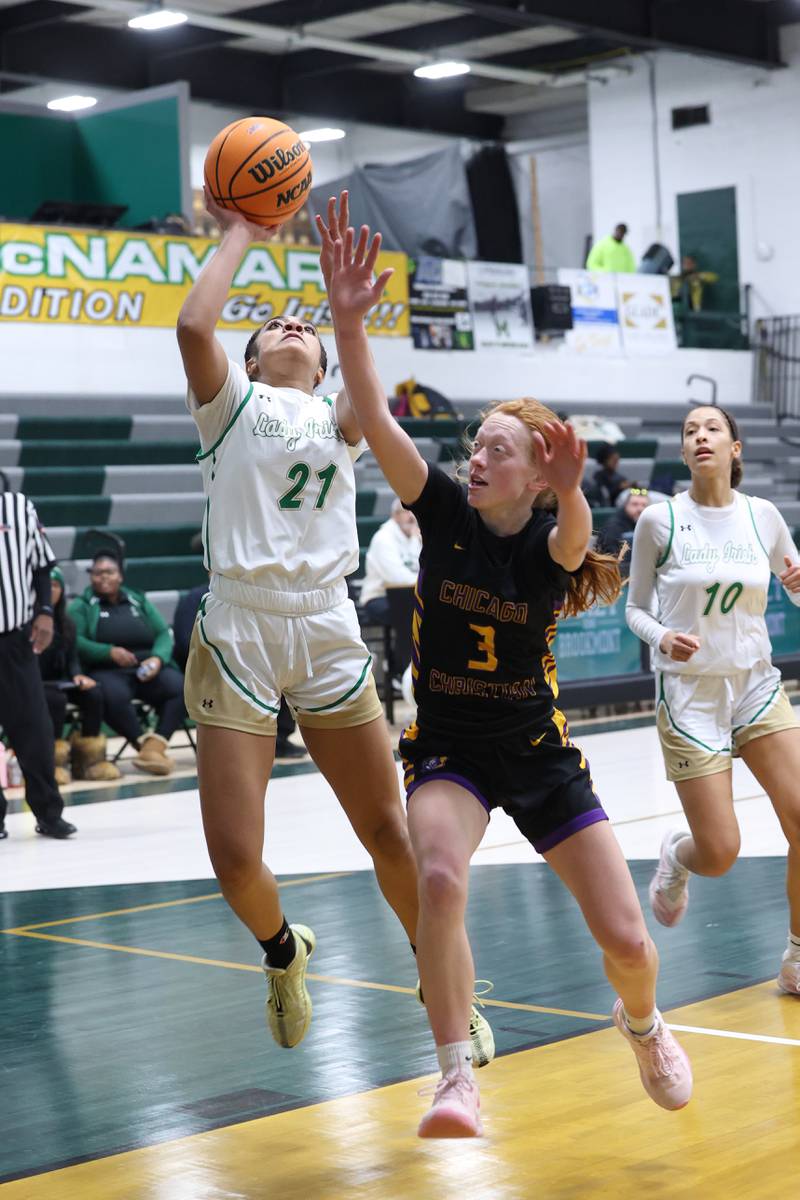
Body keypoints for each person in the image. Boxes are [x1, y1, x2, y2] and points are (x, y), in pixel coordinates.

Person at [321, 208, 693, 1138]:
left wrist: (570, 490)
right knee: (438, 879)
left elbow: (575, 543)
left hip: (538, 752)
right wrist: (351, 322)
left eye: (498, 449)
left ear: (533, 476)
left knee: (628, 943)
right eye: (475, 443)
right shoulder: (440, 508)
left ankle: (642, 1023)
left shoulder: (543, 540)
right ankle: (453, 1077)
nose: (475, 457)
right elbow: (372, 415)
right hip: (449, 749)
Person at [174, 188, 493, 1063]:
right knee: (237, 861)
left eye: (302, 327)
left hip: (324, 626)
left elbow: (370, 401)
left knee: (388, 832)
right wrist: (242, 229)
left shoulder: (339, 418)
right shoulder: (229, 405)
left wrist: (348, 319)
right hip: (239, 626)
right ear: (251, 359)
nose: (289, 326)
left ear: (320, 364)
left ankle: (445, 985)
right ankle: (284, 951)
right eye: (273, 324)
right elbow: (195, 329)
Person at [625, 405, 800, 992]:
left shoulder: (764, 516)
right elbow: (634, 609)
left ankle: (797, 957)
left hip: (754, 683)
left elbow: (795, 587)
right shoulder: (660, 520)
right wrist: (662, 637)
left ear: (736, 448)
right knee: (722, 852)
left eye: (712, 429)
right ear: (683, 453)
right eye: (690, 432)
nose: (700, 436)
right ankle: (678, 854)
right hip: (691, 693)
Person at [0, 489, 76, 839]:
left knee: (34, 727)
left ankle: (48, 812)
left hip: (15, 638)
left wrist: (45, 611)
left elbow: (43, 564)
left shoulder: (17, 505)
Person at [68, 552, 187, 776]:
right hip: (107, 670)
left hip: (145, 668)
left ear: (120, 576)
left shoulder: (136, 599)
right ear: (91, 577)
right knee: (111, 694)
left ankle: (156, 746)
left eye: (109, 572)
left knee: (180, 686)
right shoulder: (81, 606)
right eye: (97, 573)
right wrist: (108, 652)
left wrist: (158, 658)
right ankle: (143, 745)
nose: (103, 577)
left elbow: (162, 632)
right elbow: (75, 641)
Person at [173, 581, 306, 759]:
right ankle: (225, 744)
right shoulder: (195, 598)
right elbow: (184, 641)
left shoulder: (251, 595)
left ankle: (278, 738)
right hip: (212, 661)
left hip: (252, 659)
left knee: (278, 664)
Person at [38, 566, 121, 783]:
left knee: (93, 693)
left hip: (62, 681)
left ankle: (89, 762)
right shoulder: (28, 623)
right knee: (56, 699)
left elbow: (72, 659)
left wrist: (77, 675)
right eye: (46, 586)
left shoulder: (67, 624)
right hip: (35, 683)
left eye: (55, 586)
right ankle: (51, 764)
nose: (50, 590)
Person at [359, 499, 421, 627]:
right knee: (411, 610)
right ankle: (404, 647)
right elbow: (395, 578)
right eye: (406, 512)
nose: (411, 516)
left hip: (408, 595)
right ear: (395, 515)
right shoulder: (383, 538)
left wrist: (419, 541)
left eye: (413, 512)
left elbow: (422, 567)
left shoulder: (414, 537)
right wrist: (424, 582)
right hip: (378, 597)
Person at [596, 488, 651, 577]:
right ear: (625, 505)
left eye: (644, 505)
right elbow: (610, 561)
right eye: (635, 504)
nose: (640, 509)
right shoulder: (613, 527)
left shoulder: (641, 523)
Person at [585, 443, 632, 508]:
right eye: (613, 460)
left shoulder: (621, 477)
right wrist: (619, 488)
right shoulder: (598, 476)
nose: (616, 463)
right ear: (605, 460)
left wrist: (631, 487)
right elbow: (603, 495)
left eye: (617, 460)